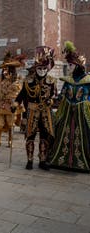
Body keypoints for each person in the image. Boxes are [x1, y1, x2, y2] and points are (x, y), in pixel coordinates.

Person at [48, 41, 90, 172]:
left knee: (84, 136)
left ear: (78, 66)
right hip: (67, 112)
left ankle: (80, 162)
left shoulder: (88, 81)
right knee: (63, 133)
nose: (69, 67)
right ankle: (63, 161)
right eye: (68, 65)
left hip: (82, 113)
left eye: (71, 65)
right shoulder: (68, 80)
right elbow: (62, 95)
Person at [13, 46, 57, 170]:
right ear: (35, 68)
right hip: (31, 111)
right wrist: (14, 105)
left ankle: (42, 160)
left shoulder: (51, 81)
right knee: (30, 136)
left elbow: (54, 96)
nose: (42, 71)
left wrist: (51, 100)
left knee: (44, 135)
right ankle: (30, 160)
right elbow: (21, 96)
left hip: (45, 112)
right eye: (40, 68)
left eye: (44, 68)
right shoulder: (29, 81)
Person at [0, 52, 24, 148]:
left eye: (6, 70)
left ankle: (10, 141)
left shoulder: (17, 81)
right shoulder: (1, 80)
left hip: (11, 105)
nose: (4, 72)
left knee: (10, 124)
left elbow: (19, 94)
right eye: (4, 70)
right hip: (0, 104)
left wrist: (17, 103)